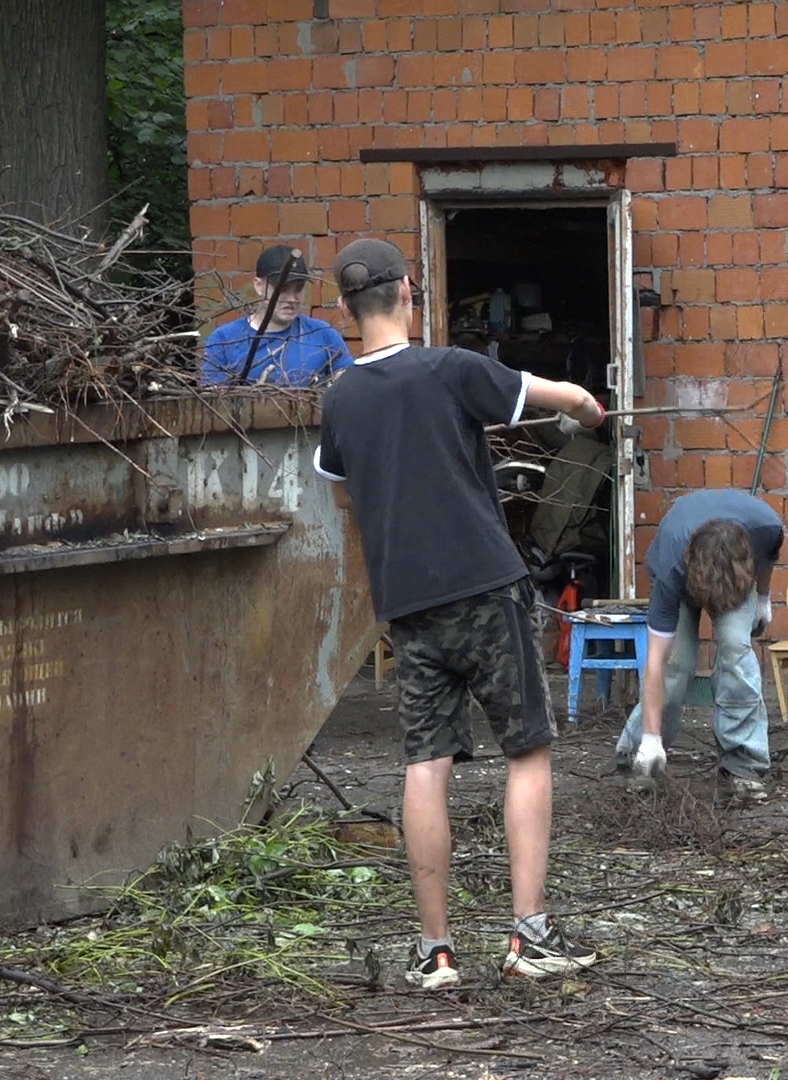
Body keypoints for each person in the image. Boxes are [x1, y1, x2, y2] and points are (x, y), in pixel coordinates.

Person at [312, 237, 607, 989]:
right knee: (528, 751)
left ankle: (435, 950)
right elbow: (563, 399)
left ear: (346, 311)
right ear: (409, 292)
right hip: (485, 584)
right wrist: (587, 409)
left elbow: (345, 494)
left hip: (408, 602)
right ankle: (528, 935)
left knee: (425, 763)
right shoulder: (449, 368)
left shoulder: (341, 398)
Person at [616, 490, 784, 802]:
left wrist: (762, 596)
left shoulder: (767, 528)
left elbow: (767, 561)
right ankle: (641, 755)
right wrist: (652, 737)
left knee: (736, 648)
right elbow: (656, 660)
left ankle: (743, 765)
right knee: (676, 665)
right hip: (684, 567)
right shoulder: (670, 571)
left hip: (734, 572)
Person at [202, 246, 349, 385]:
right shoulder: (224, 340)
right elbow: (212, 404)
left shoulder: (323, 335)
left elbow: (349, 390)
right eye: (282, 289)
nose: (292, 298)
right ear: (258, 285)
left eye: (298, 289)